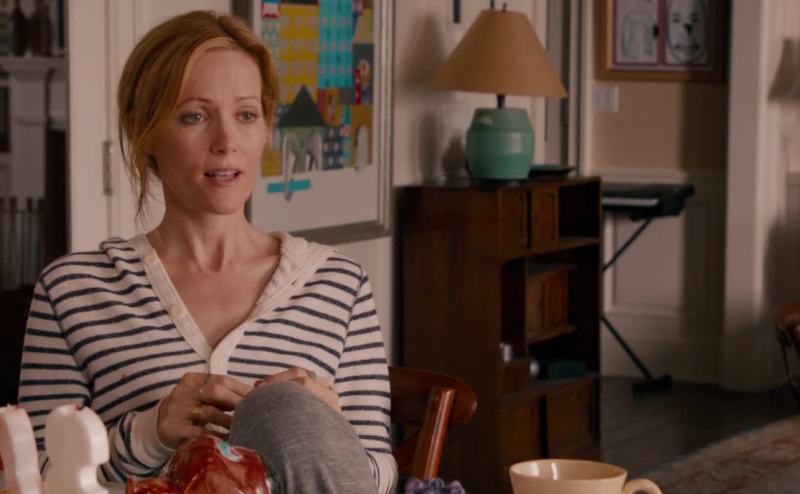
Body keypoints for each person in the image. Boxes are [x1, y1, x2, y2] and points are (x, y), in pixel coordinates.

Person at [18, 10, 396, 494]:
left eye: (246, 115)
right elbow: (32, 476)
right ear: (143, 130)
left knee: (287, 411)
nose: (226, 142)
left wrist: (324, 435)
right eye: (195, 116)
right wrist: (150, 433)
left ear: (266, 128)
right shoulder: (72, 290)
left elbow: (382, 473)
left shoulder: (339, 284)